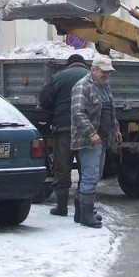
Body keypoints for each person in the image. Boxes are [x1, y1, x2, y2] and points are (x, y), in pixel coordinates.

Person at [70, 54, 122, 228]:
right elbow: (78, 113)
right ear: (93, 70)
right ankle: (86, 216)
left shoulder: (104, 86)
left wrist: (116, 130)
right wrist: (92, 134)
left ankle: (81, 213)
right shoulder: (83, 86)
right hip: (88, 140)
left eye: (109, 72)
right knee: (90, 176)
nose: (106, 75)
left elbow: (109, 111)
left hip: (102, 139)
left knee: (94, 175)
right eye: (103, 71)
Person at [38, 54, 90, 217]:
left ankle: (61, 207)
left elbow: (45, 100)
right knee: (86, 167)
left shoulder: (59, 77)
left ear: (69, 65)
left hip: (64, 128)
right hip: (87, 129)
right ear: (84, 64)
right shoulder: (92, 78)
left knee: (62, 166)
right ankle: (81, 207)